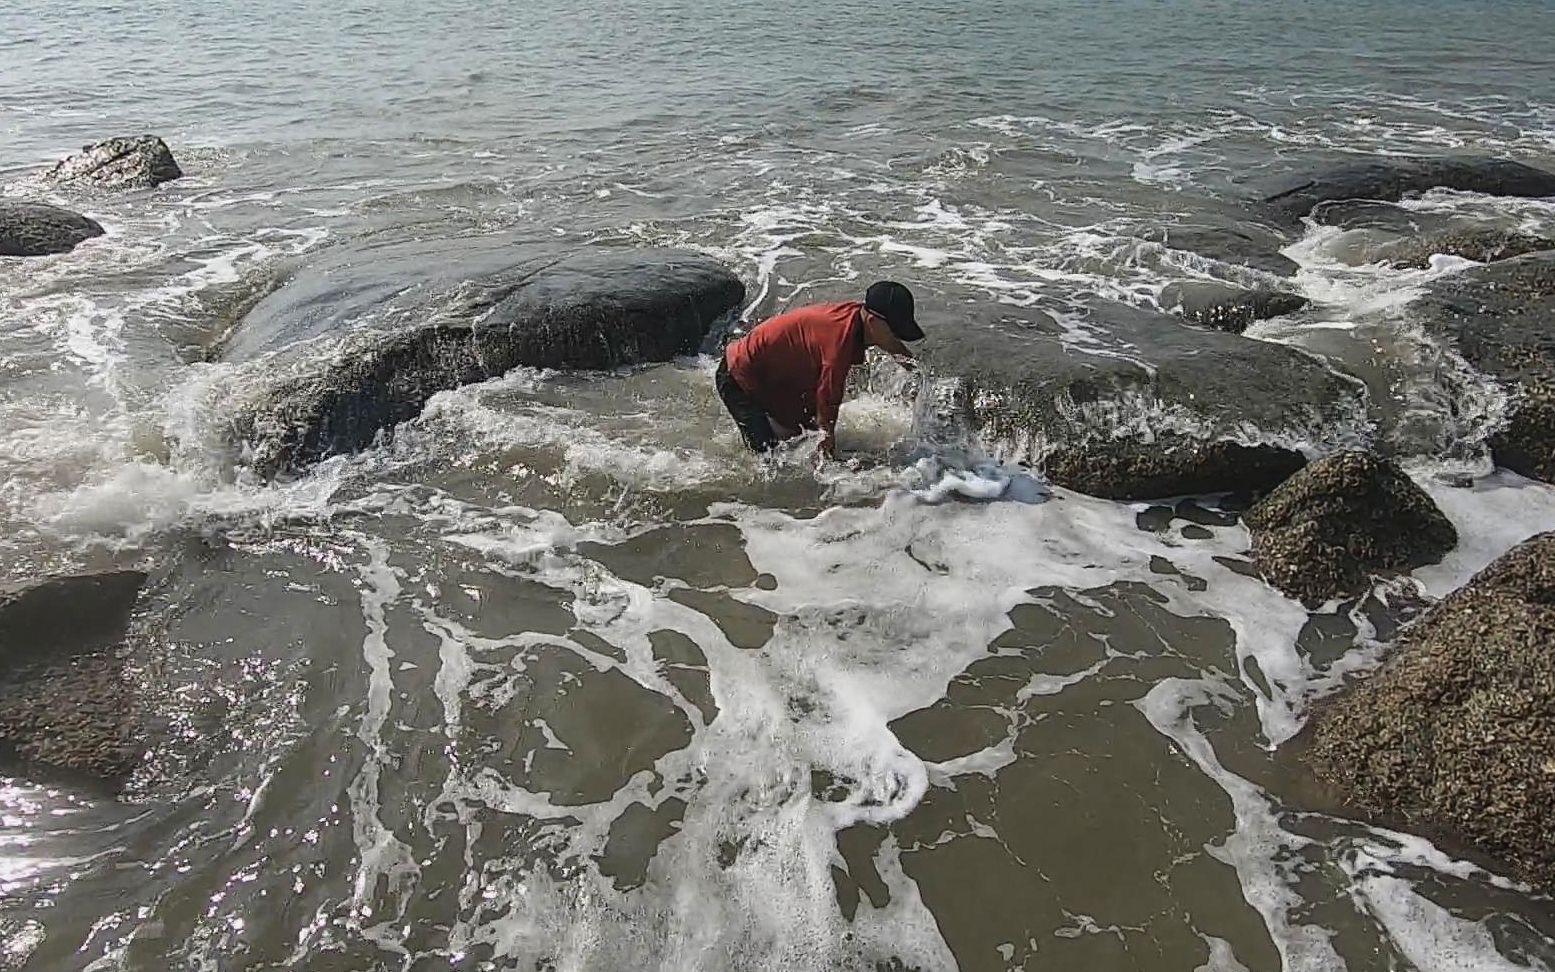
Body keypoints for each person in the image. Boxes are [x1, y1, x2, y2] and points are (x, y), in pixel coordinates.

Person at [716, 280, 925, 459]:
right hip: (737, 375)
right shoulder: (839, 343)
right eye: (896, 330)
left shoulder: (859, 318)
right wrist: (827, 440)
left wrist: (924, 381)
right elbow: (828, 398)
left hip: (771, 370)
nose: (897, 337)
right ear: (873, 322)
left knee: (801, 433)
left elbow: (895, 348)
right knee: (769, 459)